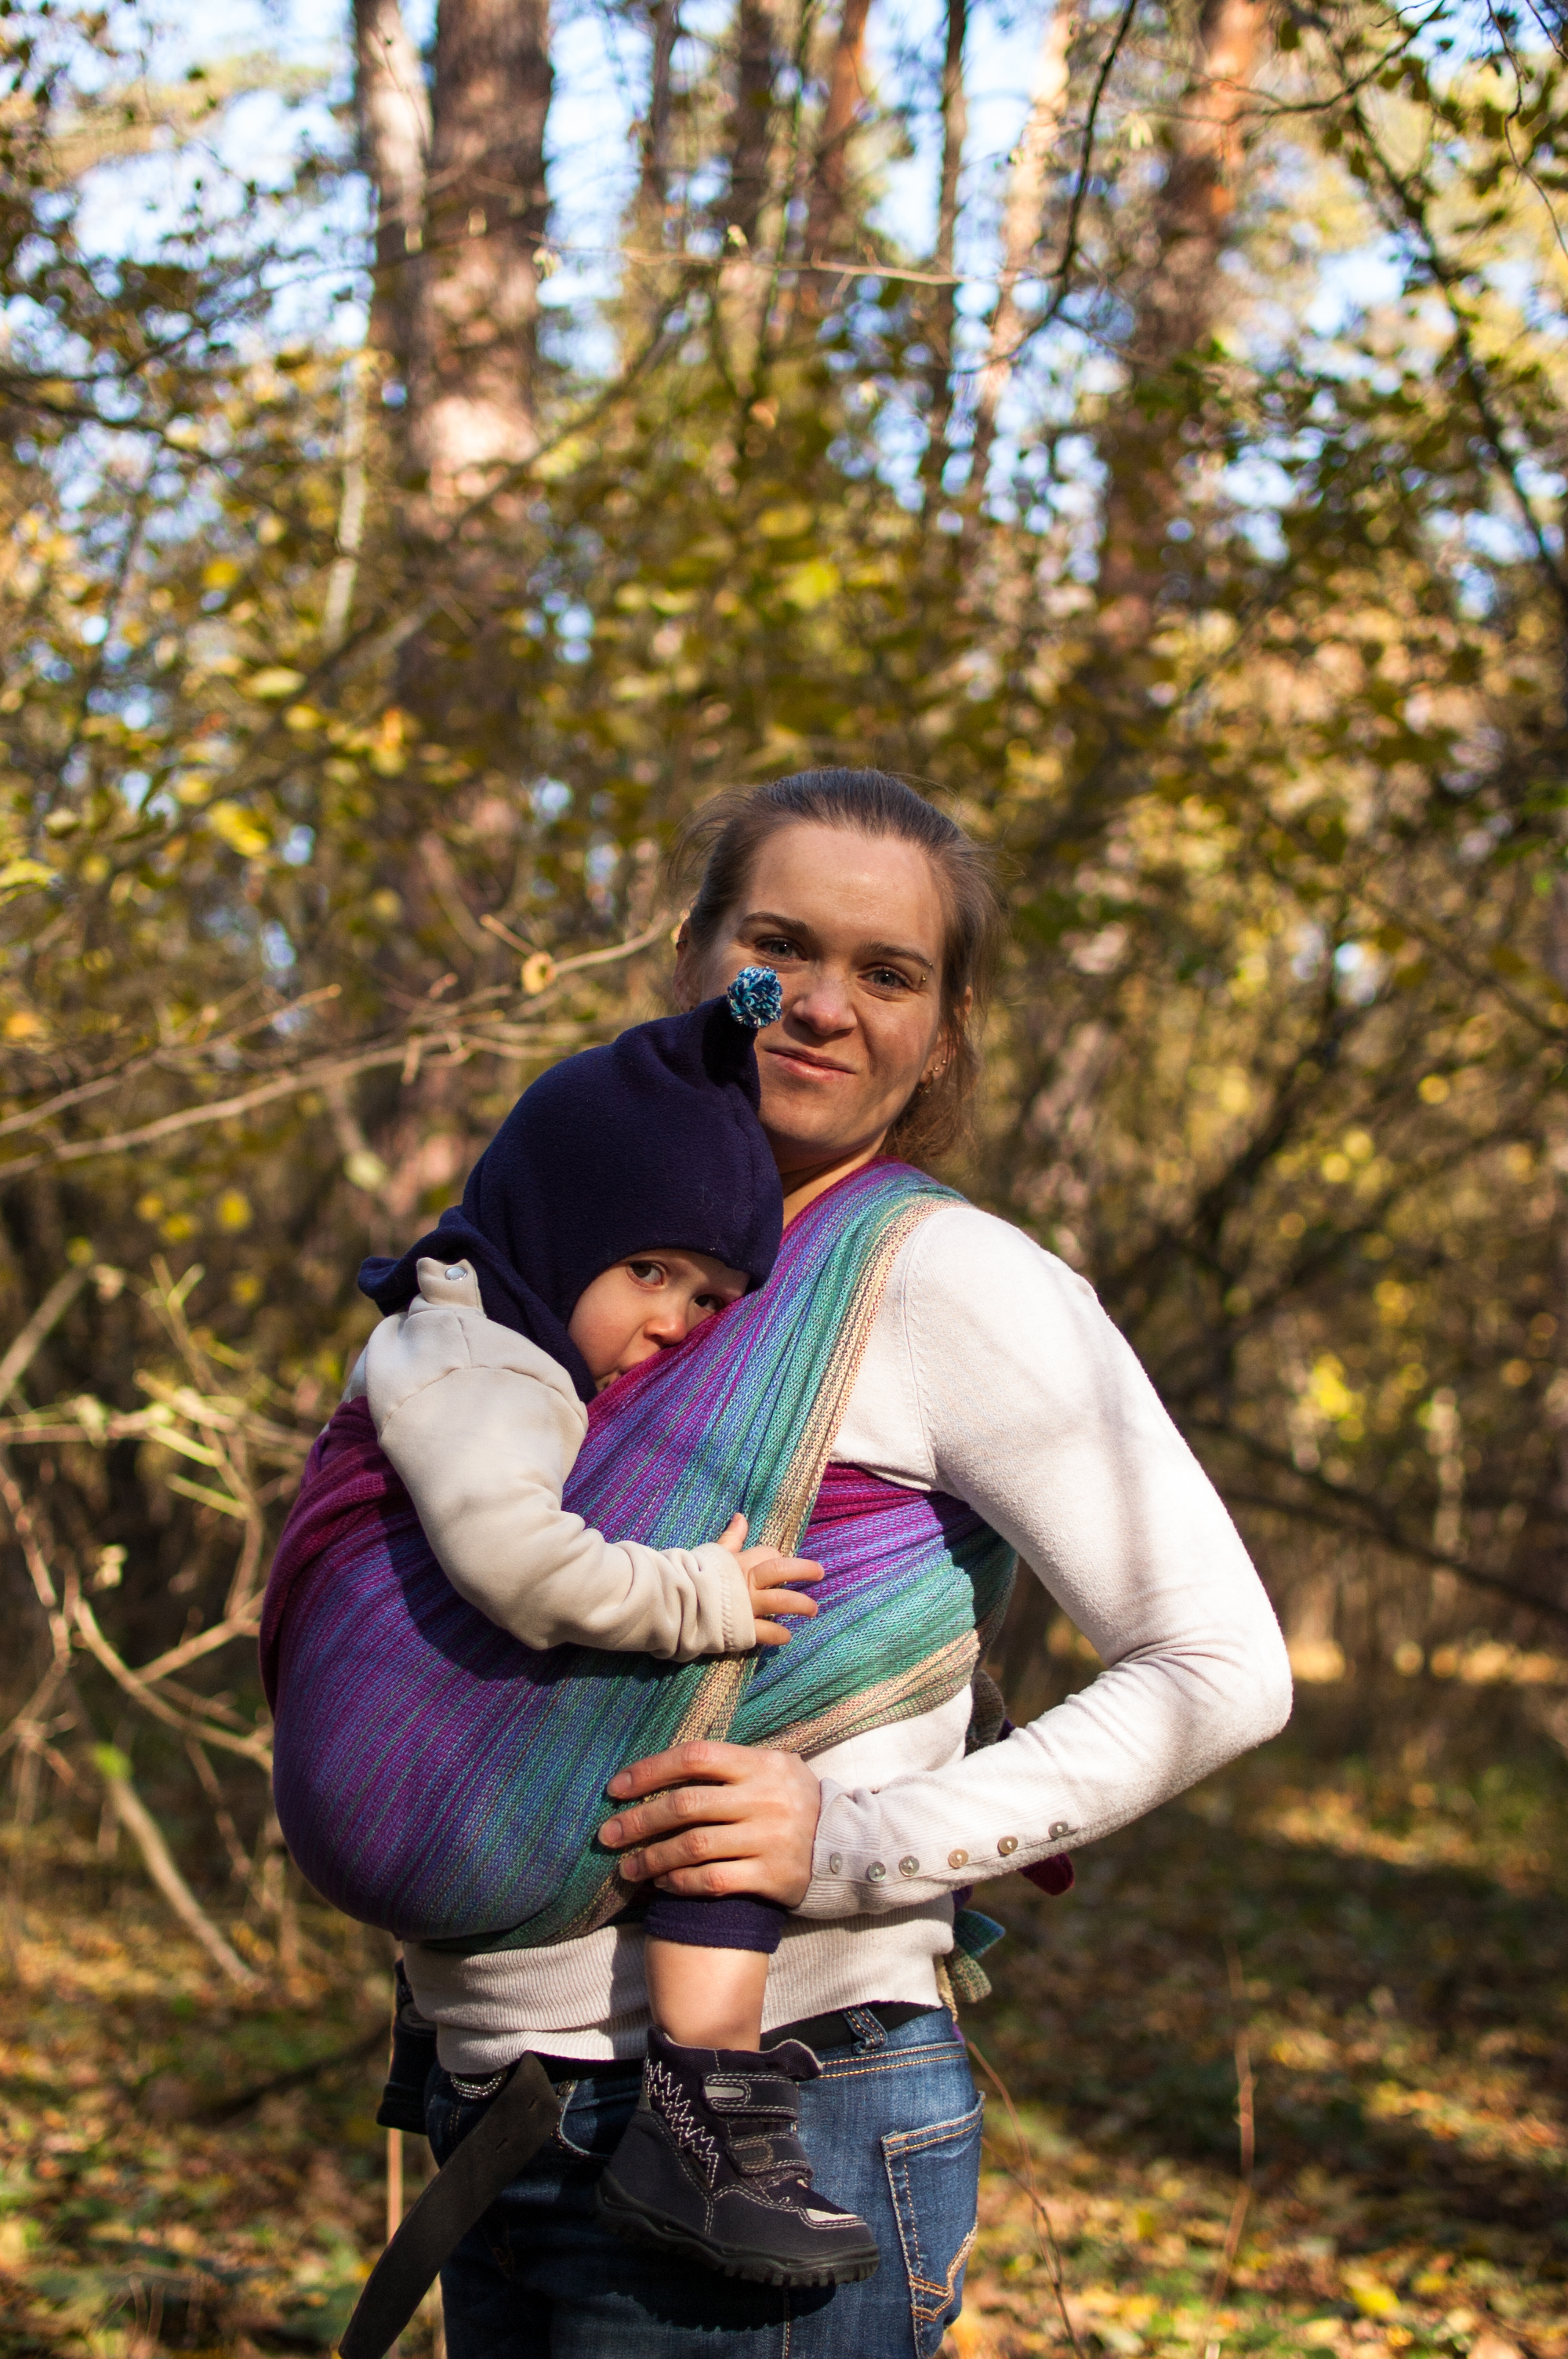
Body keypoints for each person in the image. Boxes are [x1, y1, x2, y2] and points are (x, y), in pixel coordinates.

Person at [388, 769, 1294, 2358]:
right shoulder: (581, 1245)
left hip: (782, 2111)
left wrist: (854, 1839)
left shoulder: (949, 1279)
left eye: (886, 974)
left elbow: (1223, 1665)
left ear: (942, 1033)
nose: (817, 1005)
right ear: (694, 964)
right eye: (775, 947)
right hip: (499, 2113)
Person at [339, 973, 880, 2287]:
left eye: (706, 1298)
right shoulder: (482, 1367)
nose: (671, 1323)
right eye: (647, 1269)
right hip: (438, 1813)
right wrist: (698, 1594)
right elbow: (518, 1567)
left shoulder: (486, 1342)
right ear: (558, 1221)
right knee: (704, 1789)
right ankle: (702, 2126)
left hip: (454, 1904)